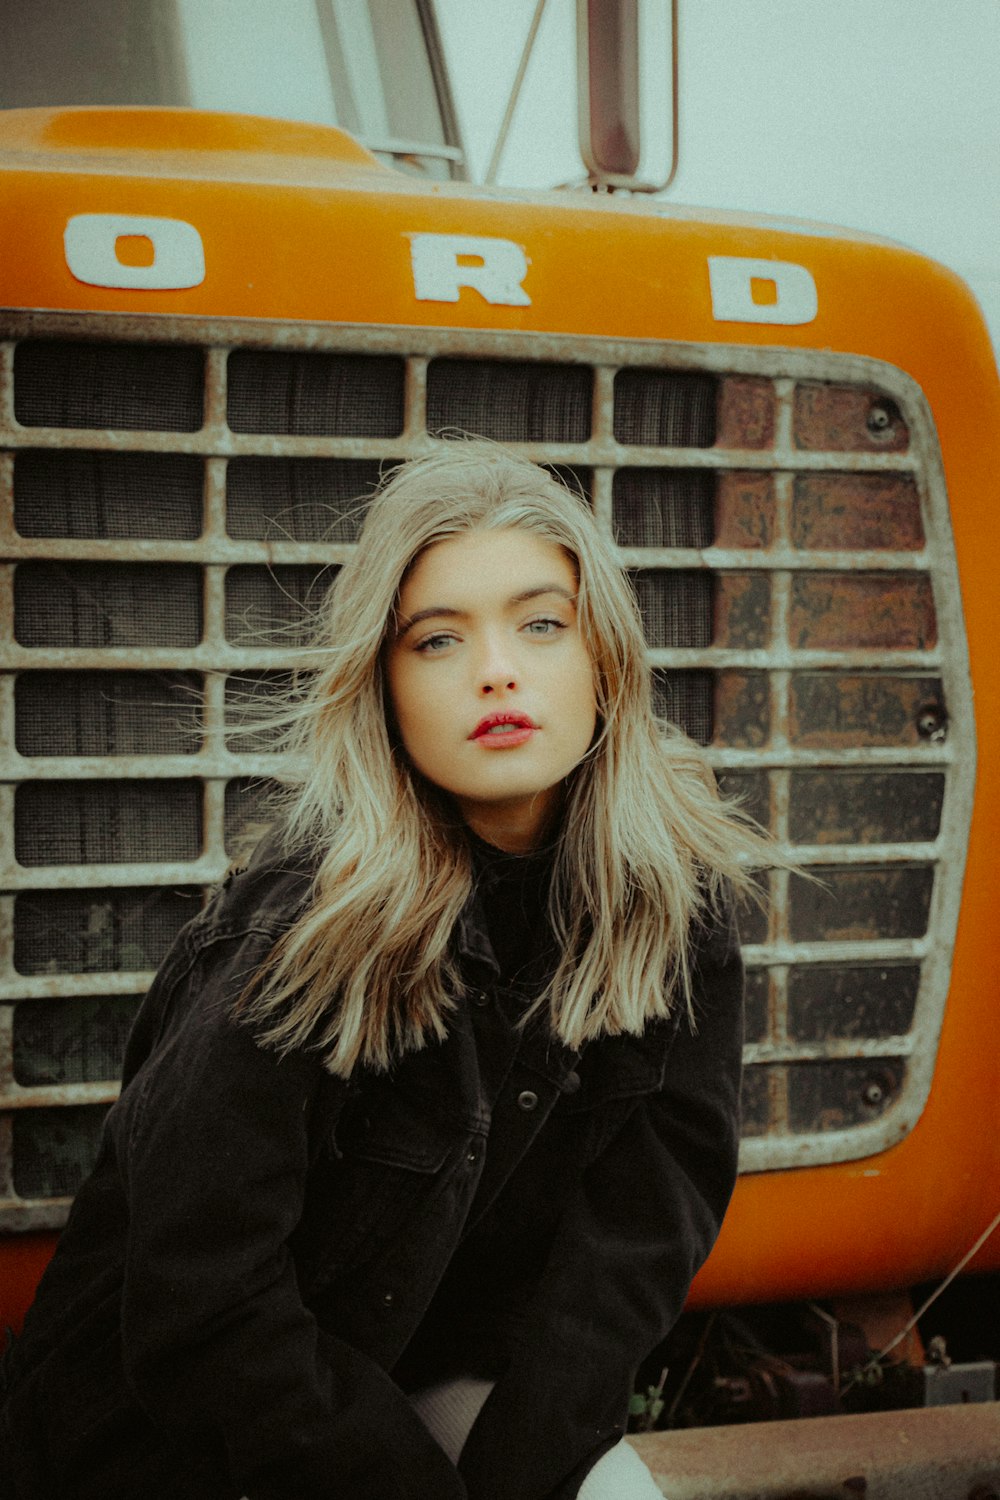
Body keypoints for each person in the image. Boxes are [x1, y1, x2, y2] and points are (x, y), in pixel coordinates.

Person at [0, 441, 768, 1500]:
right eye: (437, 639)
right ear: (384, 689)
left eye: (540, 623)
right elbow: (201, 1304)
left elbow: (636, 1242)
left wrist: (518, 1471)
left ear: (606, 658)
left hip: (419, 1379)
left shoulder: (678, 909)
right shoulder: (304, 928)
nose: (495, 668)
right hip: (178, 1437)